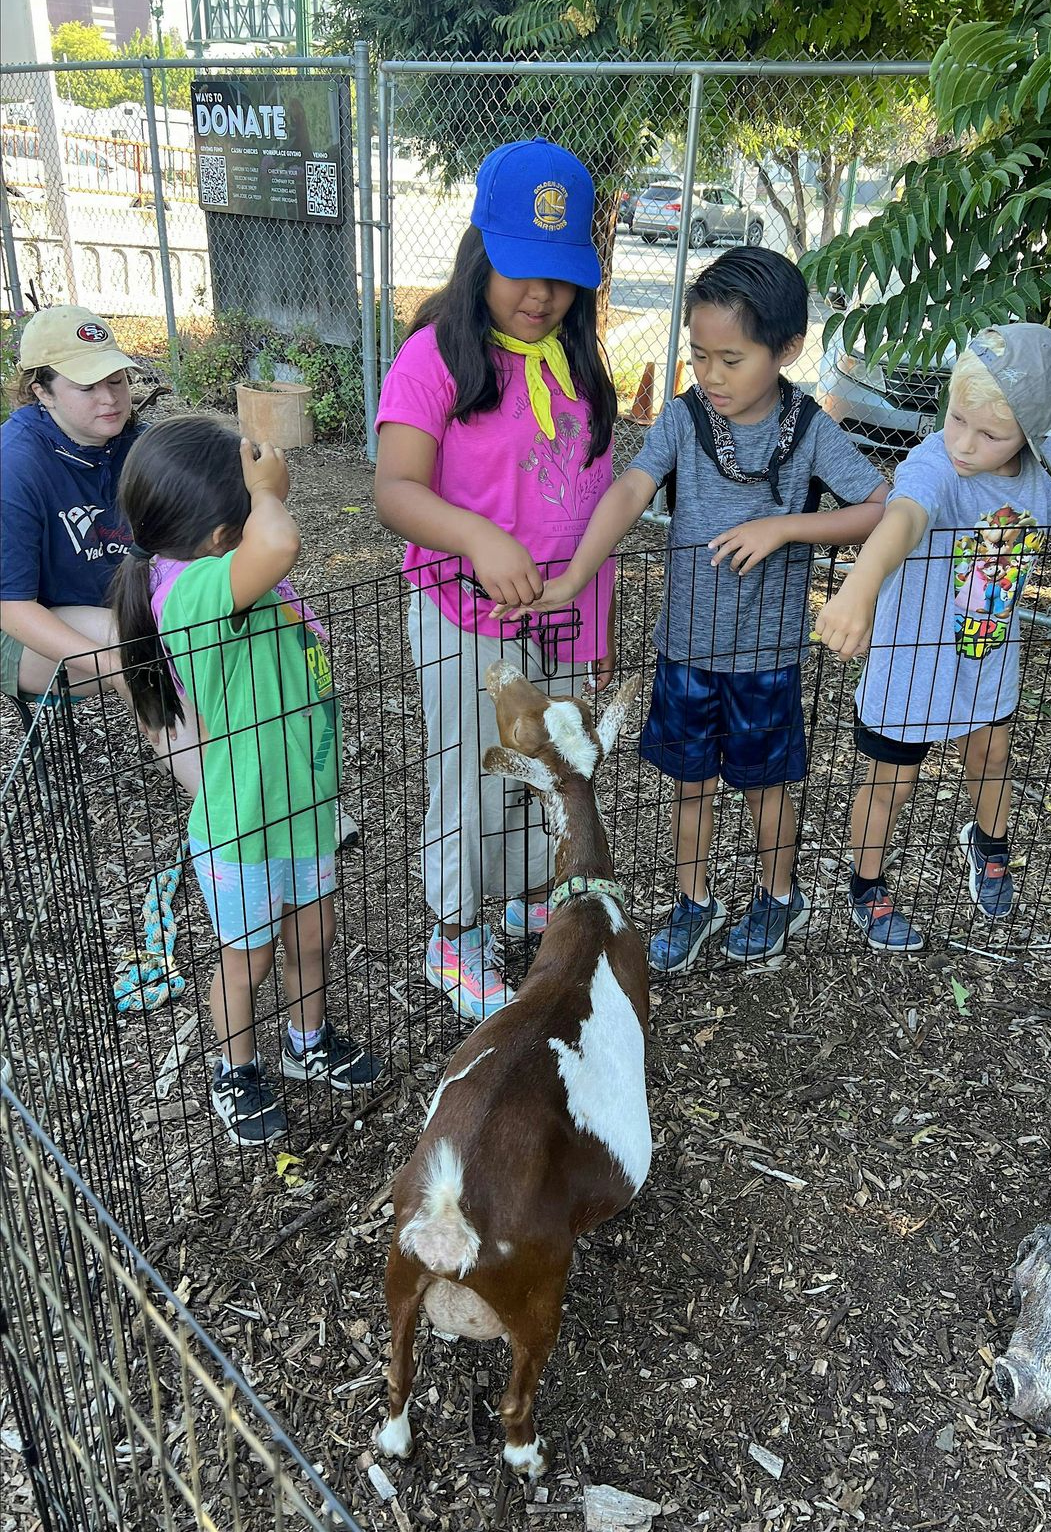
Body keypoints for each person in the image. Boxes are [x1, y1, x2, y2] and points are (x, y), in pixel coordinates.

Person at [495, 246, 888, 972]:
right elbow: (630, 491)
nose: (711, 374)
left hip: (766, 658)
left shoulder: (809, 430)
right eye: (700, 355)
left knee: (766, 788)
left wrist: (785, 525)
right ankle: (694, 901)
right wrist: (578, 575)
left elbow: (879, 508)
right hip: (687, 649)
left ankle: (778, 895)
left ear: (788, 349)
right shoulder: (684, 419)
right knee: (690, 785)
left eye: (730, 359)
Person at [815, 323, 1051, 952]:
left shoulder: (1044, 462)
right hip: (913, 662)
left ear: (1033, 433)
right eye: (957, 419)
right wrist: (858, 587)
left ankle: (989, 848)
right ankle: (866, 884)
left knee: (991, 758)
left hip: (988, 651)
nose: (964, 442)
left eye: (990, 434)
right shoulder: (936, 463)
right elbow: (902, 521)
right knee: (890, 782)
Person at [374, 137, 618, 1022]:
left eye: (559, 275)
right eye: (520, 269)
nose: (540, 294)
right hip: (465, 616)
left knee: (540, 764)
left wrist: (595, 633)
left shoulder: (580, 365)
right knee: (471, 773)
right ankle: (453, 930)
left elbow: (593, 506)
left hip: (557, 618)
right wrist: (476, 535)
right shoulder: (437, 359)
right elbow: (394, 488)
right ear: (480, 249)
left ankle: (512, 896)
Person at [111, 417, 382, 1146]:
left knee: (314, 934)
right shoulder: (191, 592)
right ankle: (234, 1069)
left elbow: (272, 550)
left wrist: (254, 497)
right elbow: (281, 540)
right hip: (243, 824)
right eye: (252, 507)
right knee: (248, 958)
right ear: (218, 536)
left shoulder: (227, 569)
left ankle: (308, 1040)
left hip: (302, 806)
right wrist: (272, 492)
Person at [1, 305, 201, 792]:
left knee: (220, 624)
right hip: (26, 631)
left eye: (116, 380)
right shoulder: (15, 465)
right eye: (87, 386)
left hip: (125, 602)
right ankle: (232, 810)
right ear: (41, 391)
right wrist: (112, 661)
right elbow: (12, 607)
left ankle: (275, 782)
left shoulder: (139, 444)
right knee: (130, 641)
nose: (110, 398)